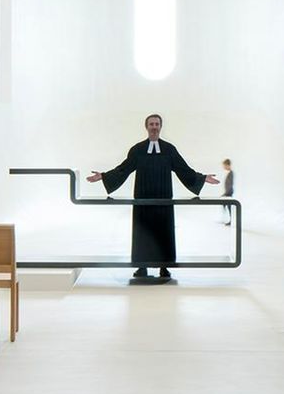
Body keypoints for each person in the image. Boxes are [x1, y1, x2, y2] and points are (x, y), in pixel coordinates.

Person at [86, 114, 219, 282]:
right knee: (143, 231)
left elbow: (183, 169)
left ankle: (164, 267)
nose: (154, 127)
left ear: (160, 127)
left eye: (157, 124)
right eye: (151, 124)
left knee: (163, 232)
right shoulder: (137, 150)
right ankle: (142, 267)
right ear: (146, 127)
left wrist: (202, 178)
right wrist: (104, 176)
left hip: (164, 199)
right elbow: (123, 169)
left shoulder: (169, 149)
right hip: (143, 199)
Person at [220, 158, 235, 225]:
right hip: (227, 193)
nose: (224, 167)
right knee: (225, 206)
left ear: (227, 165)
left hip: (229, 193)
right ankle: (226, 220)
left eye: (224, 165)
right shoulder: (229, 173)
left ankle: (229, 221)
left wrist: (226, 193)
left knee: (228, 207)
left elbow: (230, 185)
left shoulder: (231, 173)